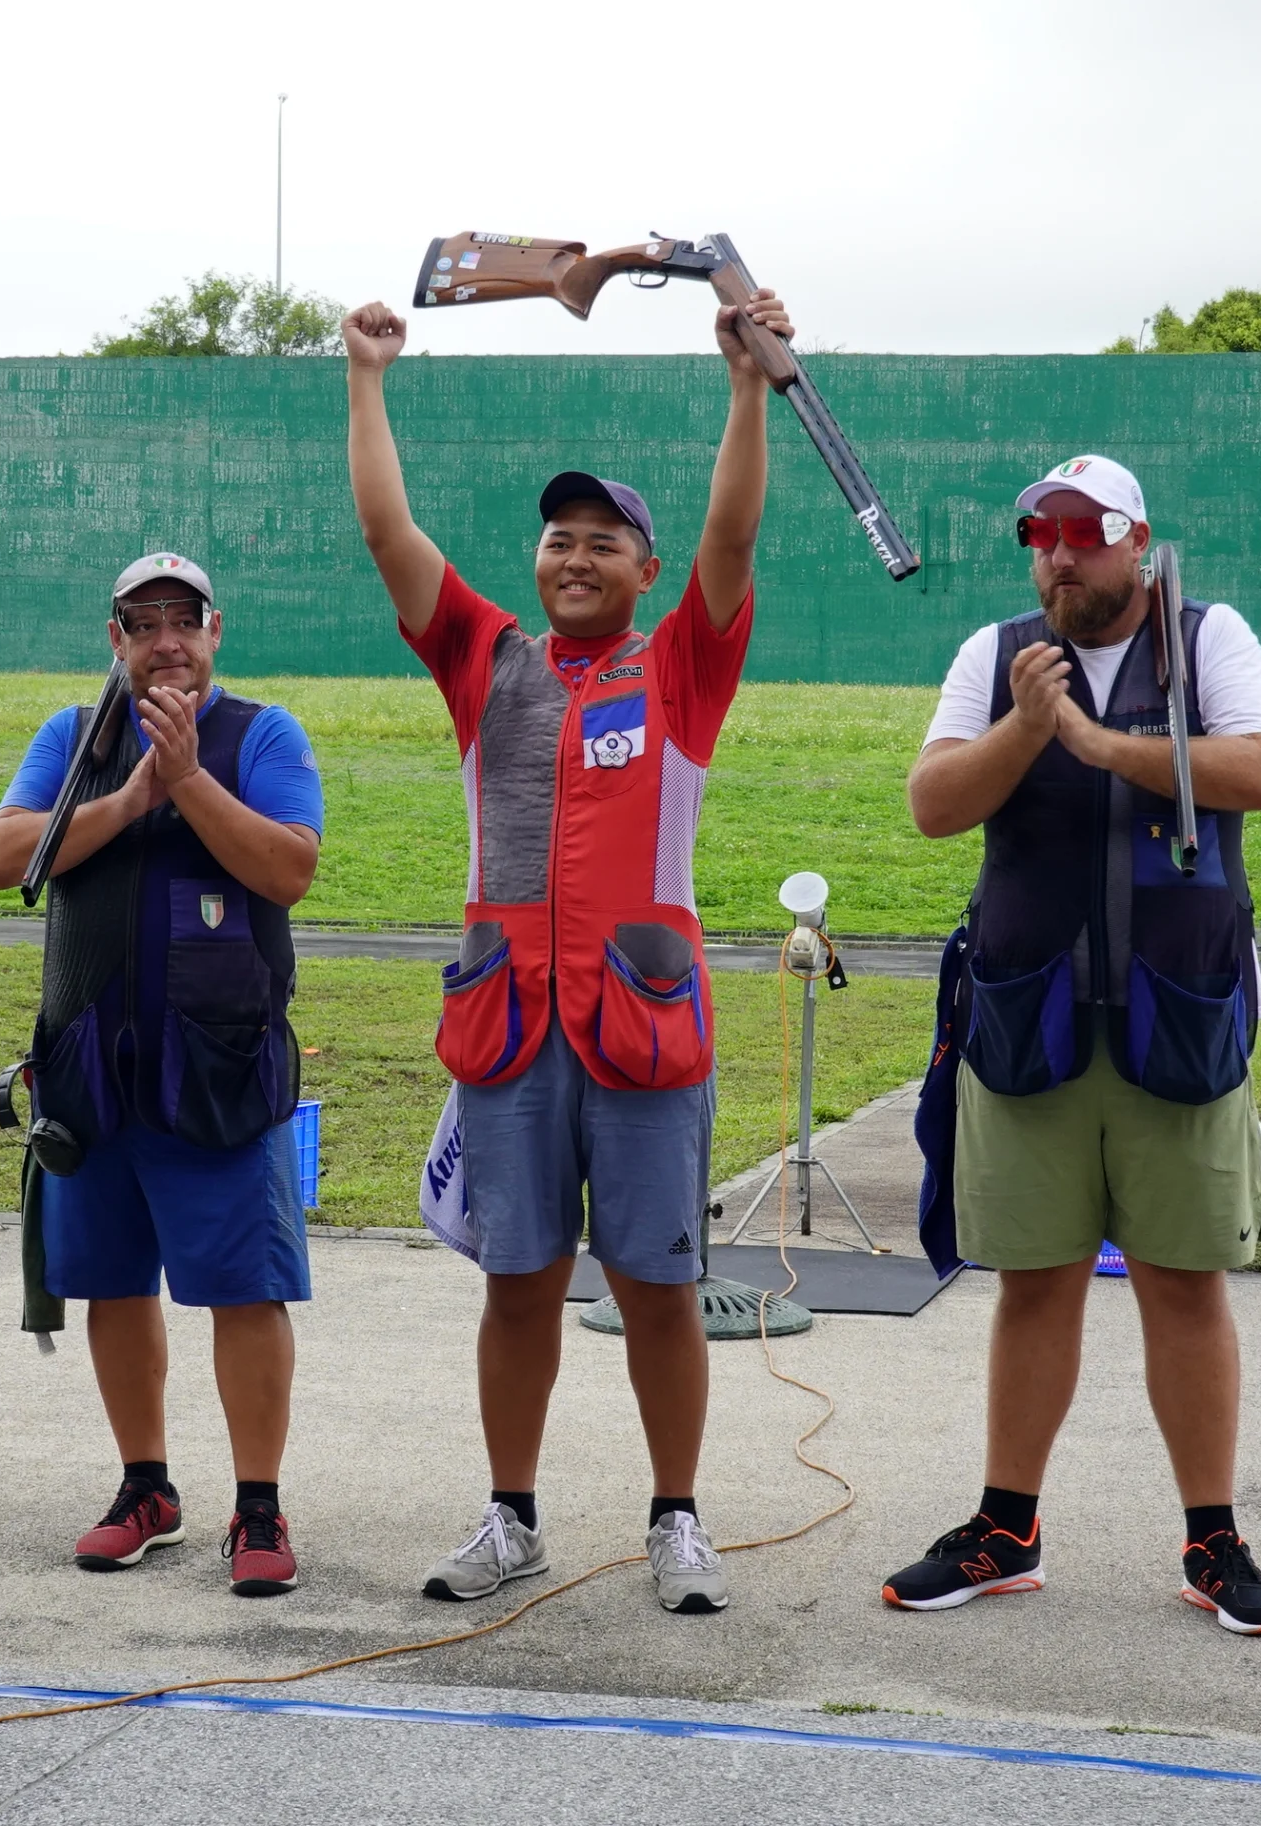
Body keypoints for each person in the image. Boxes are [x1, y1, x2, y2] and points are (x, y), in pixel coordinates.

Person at [340, 283, 793, 1615]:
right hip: (510, 1032)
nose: (576, 555)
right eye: (558, 538)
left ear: (645, 571)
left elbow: (732, 531)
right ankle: (513, 1517)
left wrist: (745, 388)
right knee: (519, 1287)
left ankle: (676, 1519)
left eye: (604, 541)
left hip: (643, 1029)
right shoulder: (486, 662)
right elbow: (387, 529)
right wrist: (368, 378)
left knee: (659, 1288)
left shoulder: (682, 670)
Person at [886, 455, 1261, 1636]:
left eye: (1079, 531)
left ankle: (1211, 1538)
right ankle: (1003, 1527)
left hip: (1178, 1012)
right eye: (1038, 533)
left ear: (1135, 540)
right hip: (1030, 1018)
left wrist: (1104, 744)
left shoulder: (1208, 638)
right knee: (1032, 1282)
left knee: (1181, 1283)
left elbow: (1260, 770)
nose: (1056, 554)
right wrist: (1028, 728)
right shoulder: (995, 650)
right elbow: (931, 801)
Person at [0, 552, 323, 1598]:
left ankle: (257, 1506)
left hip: (217, 1071)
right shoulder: (73, 737)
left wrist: (186, 782)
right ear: (114, 638)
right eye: (143, 621)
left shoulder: (262, 732)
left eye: (184, 618)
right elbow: (5, 856)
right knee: (110, 1284)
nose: (165, 638)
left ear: (216, 628)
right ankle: (146, 1489)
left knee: (245, 1288)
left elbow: (287, 866)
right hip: (92, 1067)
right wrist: (130, 797)